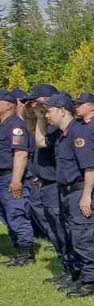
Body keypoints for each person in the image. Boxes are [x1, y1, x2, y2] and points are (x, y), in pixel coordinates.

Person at [57, 92, 94, 297]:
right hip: (80, 185)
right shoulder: (81, 128)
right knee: (78, 234)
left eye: (80, 104)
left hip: (91, 183)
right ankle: (85, 276)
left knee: (87, 234)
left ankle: (92, 279)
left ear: (92, 106)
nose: (76, 107)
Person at [28, 87, 76, 285]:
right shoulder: (47, 121)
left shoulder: (60, 126)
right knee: (54, 230)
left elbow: (41, 142)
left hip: (57, 184)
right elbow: (38, 139)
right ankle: (67, 267)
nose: (38, 107)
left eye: (42, 103)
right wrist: (39, 115)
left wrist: (43, 114)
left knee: (61, 228)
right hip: (46, 183)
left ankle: (74, 270)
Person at [0, 88, 36, 266]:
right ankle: (19, 249)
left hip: (10, 177)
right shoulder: (3, 124)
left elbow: (20, 154)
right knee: (6, 215)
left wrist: (16, 180)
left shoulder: (15, 126)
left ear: (8, 105)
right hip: (2, 177)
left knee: (16, 213)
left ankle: (26, 252)